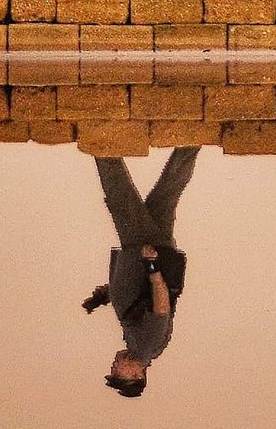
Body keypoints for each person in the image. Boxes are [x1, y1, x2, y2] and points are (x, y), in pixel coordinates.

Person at [83, 147, 200, 397]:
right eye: (119, 374)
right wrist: (152, 265)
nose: (114, 368)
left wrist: (106, 295)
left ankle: (192, 141)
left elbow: (139, 301)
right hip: (143, 250)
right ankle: (101, 142)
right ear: (138, 374)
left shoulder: (137, 344)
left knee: (167, 192)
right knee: (120, 200)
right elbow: (161, 306)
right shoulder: (147, 345)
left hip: (145, 251)